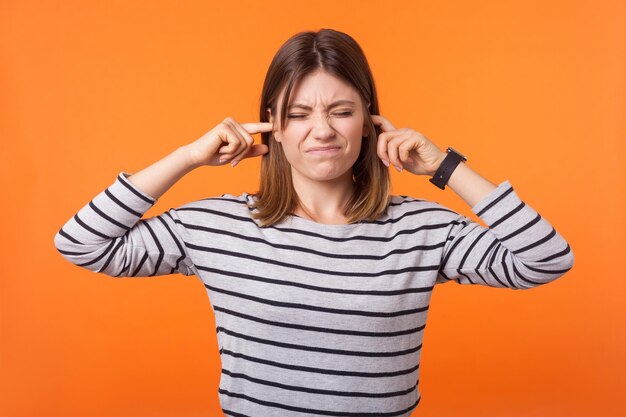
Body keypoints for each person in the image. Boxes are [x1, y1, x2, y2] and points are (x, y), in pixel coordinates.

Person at [54, 28, 575, 416]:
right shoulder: (216, 225)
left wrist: (444, 167)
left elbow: (546, 259)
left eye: (341, 111)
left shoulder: (422, 230)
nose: (321, 130)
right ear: (272, 127)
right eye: (298, 114)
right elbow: (81, 244)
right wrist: (187, 157)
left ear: (370, 122)